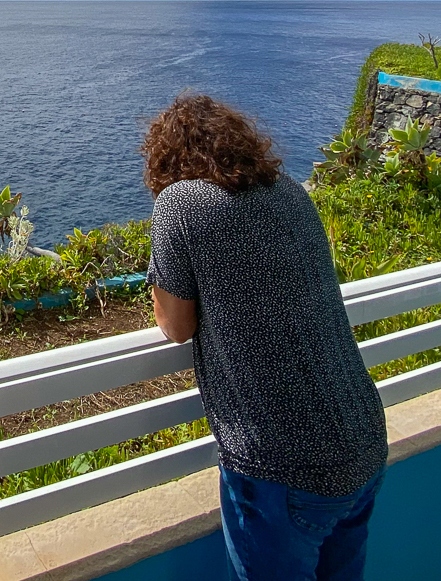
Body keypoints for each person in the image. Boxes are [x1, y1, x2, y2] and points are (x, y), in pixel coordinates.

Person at [142, 93, 388, 581]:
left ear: (167, 158)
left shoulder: (180, 204)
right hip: (363, 440)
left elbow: (176, 326)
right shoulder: (290, 190)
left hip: (282, 465)